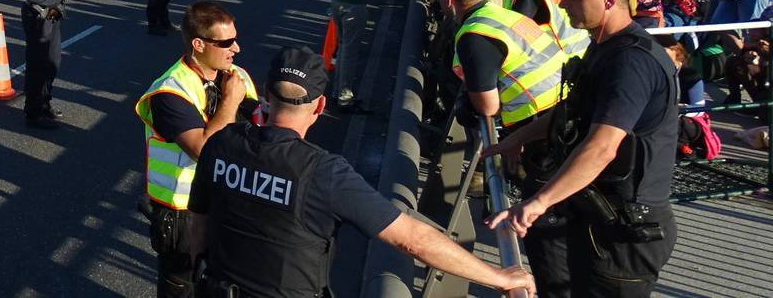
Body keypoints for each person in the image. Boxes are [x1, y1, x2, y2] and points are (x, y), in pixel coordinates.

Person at [189, 46, 536, 298]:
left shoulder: (221, 145)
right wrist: (500, 277)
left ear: (266, 94)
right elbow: (412, 239)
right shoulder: (323, 172)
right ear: (321, 106)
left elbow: (199, 224)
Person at [489, 0, 680, 297]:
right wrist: (516, 138)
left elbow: (602, 147)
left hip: (624, 229)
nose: (562, 5)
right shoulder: (605, 47)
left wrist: (539, 202)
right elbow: (573, 110)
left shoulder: (630, 62)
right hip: (599, 217)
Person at [444, 0, 572, 297]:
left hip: (542, 125)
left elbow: (487, 106)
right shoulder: (504, 15)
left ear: (448, 0)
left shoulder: (473, 34)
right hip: (566, 109)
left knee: (545, 228)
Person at [134, 1, 258, 298]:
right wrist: (230, 101)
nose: (237, 48)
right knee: (184, 288)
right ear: (199, 44)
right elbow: (204, 149)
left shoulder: (234, 76)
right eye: (226, 42)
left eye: (236, 39)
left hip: (228, 205)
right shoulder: (170, 91)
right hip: (183, 216)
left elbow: (260, 127)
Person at [18, 0, 65, 129]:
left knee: (52, 63)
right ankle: (33, 112)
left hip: (51, 16)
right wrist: (53, 3)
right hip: (39, 18)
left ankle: (45, 103)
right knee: (38, 66)